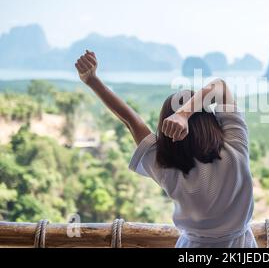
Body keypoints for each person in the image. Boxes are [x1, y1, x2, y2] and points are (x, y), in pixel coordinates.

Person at [75, 50, 257, 248]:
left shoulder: (164, 167)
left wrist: (92, 80)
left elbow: (130, 120)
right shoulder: (236, 147)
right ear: (211, 121)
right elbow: (220, 87)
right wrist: (184, 113)